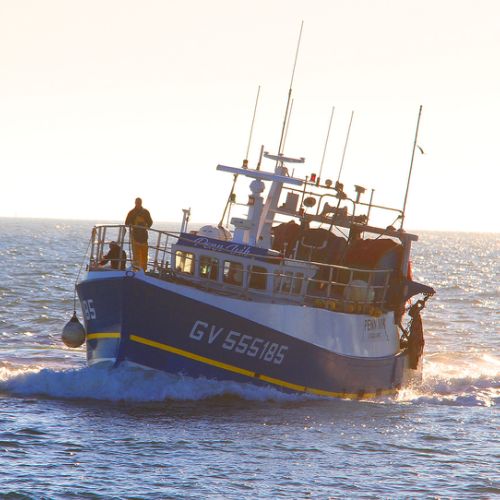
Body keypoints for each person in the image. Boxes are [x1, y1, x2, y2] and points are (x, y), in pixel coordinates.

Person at [125, 197, 153, 270]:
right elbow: (126, 223)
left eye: (139, 202)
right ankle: (136, 270)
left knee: (144, 255)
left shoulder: (146, 212)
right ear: (135, 203)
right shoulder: (131, 212)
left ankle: (144, 270)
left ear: (141, 203)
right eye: (137, 202)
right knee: (136, 255)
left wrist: (147, 226)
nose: (138, 204)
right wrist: (131, 224)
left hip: (144, 237)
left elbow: (150, 222)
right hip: (135, 237)